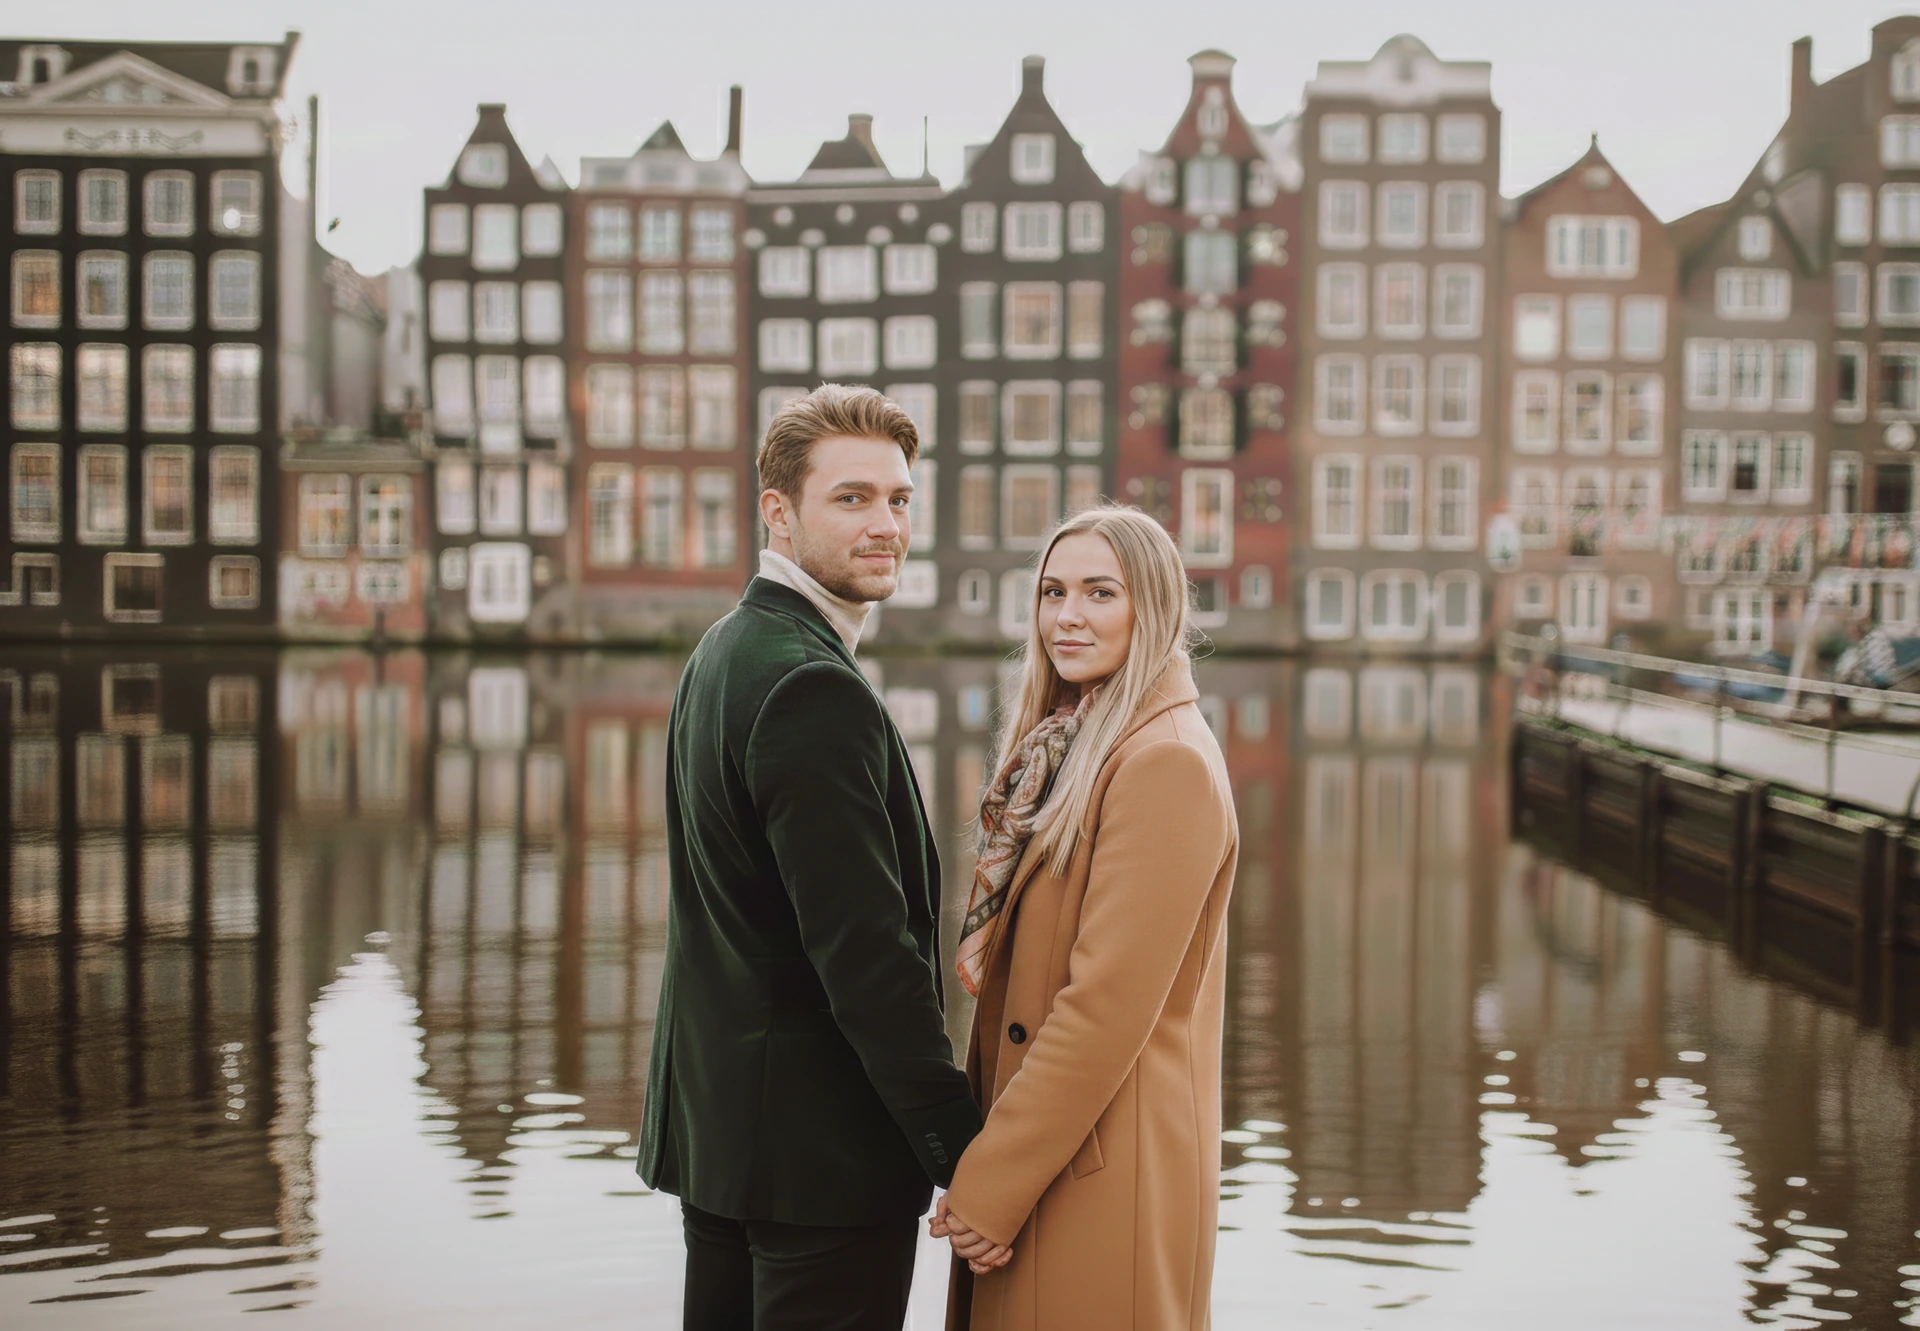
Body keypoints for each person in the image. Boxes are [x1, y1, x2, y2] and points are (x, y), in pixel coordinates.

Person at [639, 384, 982, 1331]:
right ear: (777, 512)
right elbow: (866, 959)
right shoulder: (809, 687)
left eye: (900, 499)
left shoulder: (721, 651)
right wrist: (964, 1155)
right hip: (820, 1168)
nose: (887, 525)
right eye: (854, 498)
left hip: (722, 1145)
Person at [931, 506, 1240, 1331]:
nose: (1067, 616)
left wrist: (991, 1181)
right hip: (1058, 1152)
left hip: (1105, 1167)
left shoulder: (1163, 760)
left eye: (1101, 592)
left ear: (1156, 608)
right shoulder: (1073, 739)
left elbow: (1104, 1008)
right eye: (1053, 591)